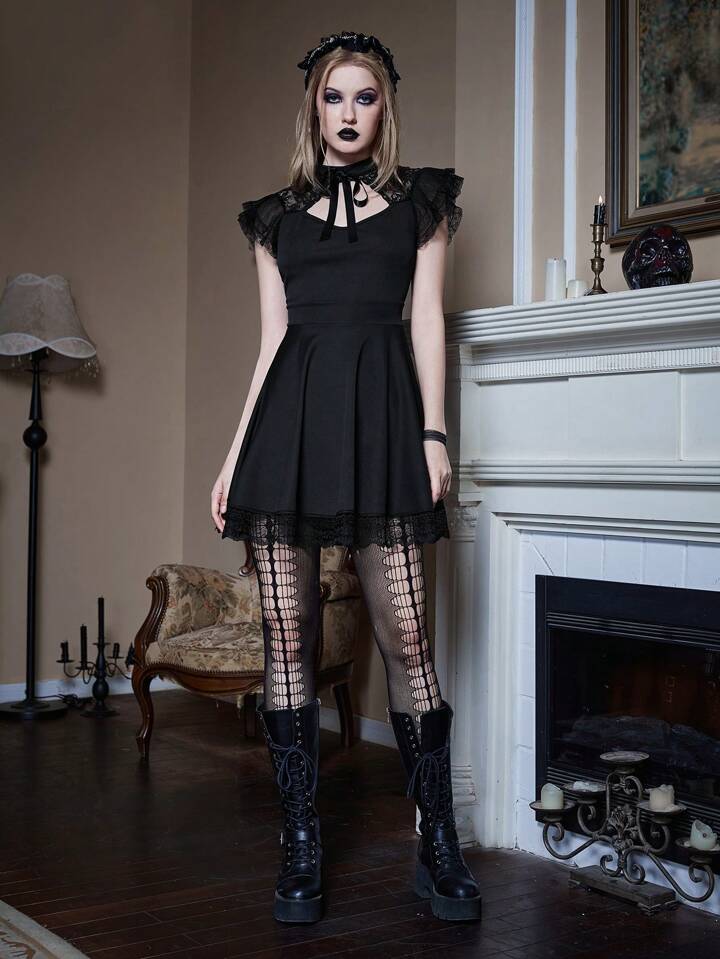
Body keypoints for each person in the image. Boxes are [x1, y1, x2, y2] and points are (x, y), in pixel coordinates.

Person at [210, 30, 480, 925]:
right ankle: (300, 840)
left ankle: (436, 839)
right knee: (287, 638)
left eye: (365, 97)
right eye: (334, 97)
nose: (349, 113)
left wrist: (435, 434)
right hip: (288, 431)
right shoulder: (273, 218)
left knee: (408, 637)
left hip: (385, 425)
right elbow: (271, 345)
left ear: (384, 108)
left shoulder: (422, 204)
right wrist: (234, 454)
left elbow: (428, 323)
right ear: (314, 108)